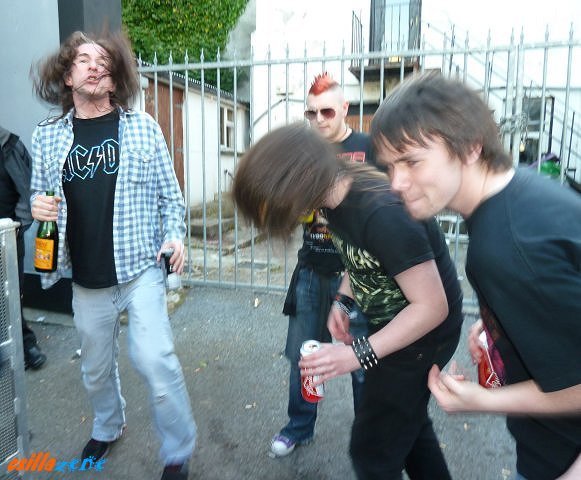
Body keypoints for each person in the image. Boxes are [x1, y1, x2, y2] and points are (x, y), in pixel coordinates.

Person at [370, 71, 581, 480]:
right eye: (390, 166)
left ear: (470, 146)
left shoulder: (506, 250)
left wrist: (479, 400)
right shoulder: (523, 192)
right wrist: (505, 327)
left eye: (411, 161)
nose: (396, 183)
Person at [232, 123, 464, 479]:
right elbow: (360, 257)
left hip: (423, 336)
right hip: (396, 326)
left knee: (373, 450)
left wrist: (356, 354)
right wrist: (342, 301)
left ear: (298, 180)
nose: (283, 217)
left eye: (276, 205)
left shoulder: (382, 212)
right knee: (410, 428)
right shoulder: (334, 198)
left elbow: (433, 307)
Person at [29, 31, 195, 480]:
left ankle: (177, 452)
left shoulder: (143, 127)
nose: (95, 65)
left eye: (103, 60)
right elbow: (39, 198)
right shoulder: (46, 136)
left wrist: (175, 237)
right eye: (83, 59)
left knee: (156, 359)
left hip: (141, 271)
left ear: (115, 76)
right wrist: (38, 206)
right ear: (68, 77)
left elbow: (171, 198)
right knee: (96, 370)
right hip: (87, 280)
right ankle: (108, 424)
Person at [270, 73, 373, 457]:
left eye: (327, 111)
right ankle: (299, 427)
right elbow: (290, 209)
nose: (318, 120)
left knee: (363, 362)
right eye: (311, 113)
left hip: (359, 277)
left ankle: (369, 440)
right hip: (312, 270)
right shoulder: (303, 153)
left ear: (345, 108)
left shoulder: (367, 147)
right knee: (305, 358)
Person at [0, 125, 47, 370]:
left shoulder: (9, 145)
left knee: (10, 296)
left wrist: (16, 227)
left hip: (6, 235)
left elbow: (28, 191)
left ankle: (24, 345)